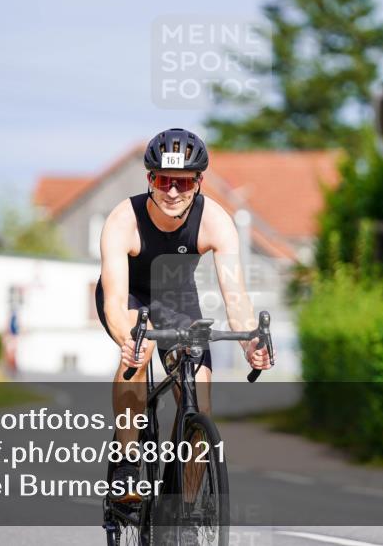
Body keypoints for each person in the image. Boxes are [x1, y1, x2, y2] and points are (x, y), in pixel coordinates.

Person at [94, 127, 271, 501]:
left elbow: (235, 296)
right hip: (130, 295)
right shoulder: (122, 220)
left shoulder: (216, 222)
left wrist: (250, 343)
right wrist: (129, 339)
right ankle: (127, 462)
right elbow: (113, 299)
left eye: (183, 182)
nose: (173, 191)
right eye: (163, 180)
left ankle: (184, 510)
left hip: (176, 299)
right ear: (150, 180)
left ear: (198, 182)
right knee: (137, 359)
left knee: (199, 399)